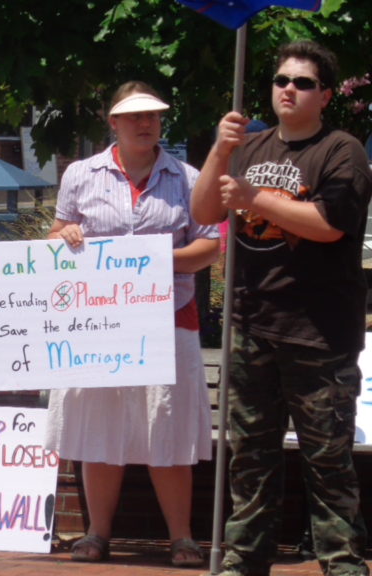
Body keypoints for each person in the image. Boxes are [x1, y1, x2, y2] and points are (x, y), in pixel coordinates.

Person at [191, 40, 371, 576]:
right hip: (252, 325)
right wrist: (220, 152)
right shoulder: (249, 147)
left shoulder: (342, 151)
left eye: (303, 82)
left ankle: (342, 565)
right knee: (250, 459)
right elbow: (204, 209)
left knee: (327, 463)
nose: (289, 89)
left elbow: (329, 224)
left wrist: (254, 198)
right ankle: (244, 562)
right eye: (281, 80)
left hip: (319, 333)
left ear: (326, 95)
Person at [44, 81, 220, 566]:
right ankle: (97, 534)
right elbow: (55, 235)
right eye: (135, 116)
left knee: (168, 427)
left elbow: (209, 245)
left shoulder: (188, 177)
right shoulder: (80, 175)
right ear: (114, 122)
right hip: (97, 326)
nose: (146, 124)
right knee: (100, 428)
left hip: (169, 322)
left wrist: (157, 260)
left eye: (154, 115)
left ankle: (182, 538)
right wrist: (66, 234)